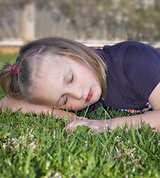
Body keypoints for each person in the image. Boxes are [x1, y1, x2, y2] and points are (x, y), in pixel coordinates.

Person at [0, 37, 160, 133]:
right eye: (63, 100)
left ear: (73, 53)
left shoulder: (135, 60)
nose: (77, 94)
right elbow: (7, 103)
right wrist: (67, 116)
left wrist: (107, 125)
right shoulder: (85, 87)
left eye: (70, 78)